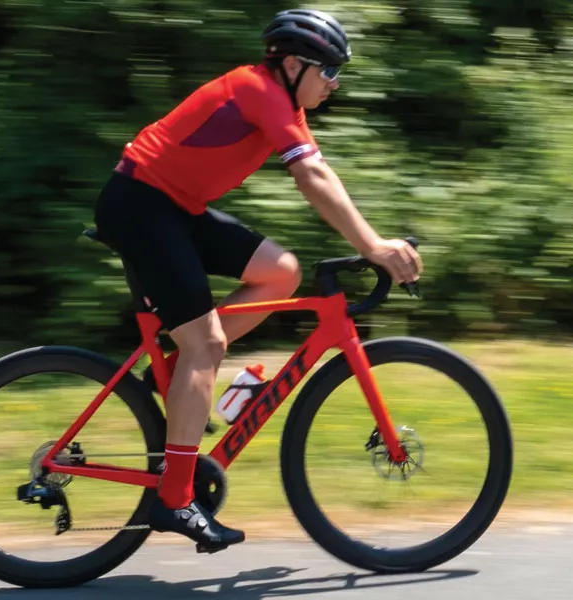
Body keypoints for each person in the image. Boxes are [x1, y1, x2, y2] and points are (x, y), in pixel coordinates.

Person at [93, 8, 423, 552]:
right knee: (209, 344)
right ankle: (175, 500)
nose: (335, 84)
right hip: (140, 206)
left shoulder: (282, 101)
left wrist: (371, 241)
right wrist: (373, 247)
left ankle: (176, 376)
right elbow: (311, 176)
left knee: (281, 272)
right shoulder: (258, 89)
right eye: (329, 71)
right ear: (293, 63)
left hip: (173, 207)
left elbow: (320, 169)